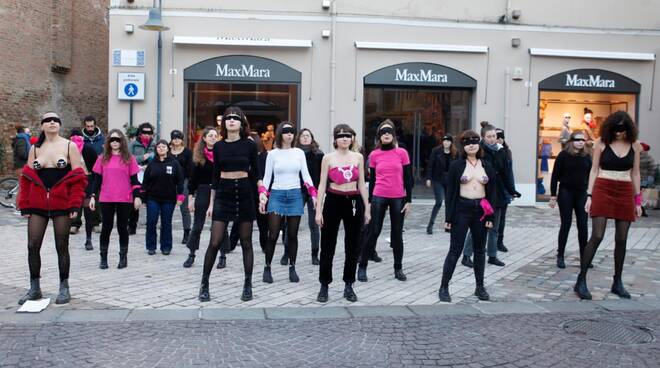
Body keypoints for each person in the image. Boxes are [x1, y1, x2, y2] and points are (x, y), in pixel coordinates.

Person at [17, 112, 87, 305]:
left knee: (61, 245)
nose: (52, 122)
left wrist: (75, 203)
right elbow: (27, 179)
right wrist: (25, 204)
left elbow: (78, 179)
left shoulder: (68, 146)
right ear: (42, 126)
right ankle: (34, 288)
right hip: (38, 204)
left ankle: (64, 287)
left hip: (61, 204)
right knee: (32, 245)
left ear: (59, 125)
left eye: (56, 120)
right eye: (48, 120)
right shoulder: (35, 149)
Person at [575, 111, 642, 300]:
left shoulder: (635, 146)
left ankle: (617, 282)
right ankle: (581, 279)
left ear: (628, 129)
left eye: (623, 130)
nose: (619, 133)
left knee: (622, 238)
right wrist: (589, 195)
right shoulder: (601, 144)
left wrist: (637, 200)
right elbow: (594, 169)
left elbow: (635, 173)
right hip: (603, 188)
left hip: (625, 190)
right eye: (616, 129)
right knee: (597, 235)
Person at [199, 106, 262, 302]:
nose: (232, 121)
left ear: (242, 123)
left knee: (245, 242)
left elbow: (257, 173)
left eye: (236, 118)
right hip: (224, 192)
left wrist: (261, 194)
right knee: (215, 241)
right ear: (224, 123)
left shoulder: (250, 145)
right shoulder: (218, 146)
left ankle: (248, 284)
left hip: (244, 191)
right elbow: (215, 176)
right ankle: (204, 283)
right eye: (228, 118)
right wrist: (211, 204)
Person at [438, 130, 496, 302]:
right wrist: (448, 218)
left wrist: (490, 217)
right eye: (468, 142)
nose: (471, 144)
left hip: (481, 211)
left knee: (479, 250)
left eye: (475, 141)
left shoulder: (487, 165)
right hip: (461, 210)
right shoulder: (457, 166)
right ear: (463, 145)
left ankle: (479, 287)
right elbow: (450, 195)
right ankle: (444, 287)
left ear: (479, 144)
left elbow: (492, 193)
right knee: (455, 250)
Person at [315, 124, 370, 302]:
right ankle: (324, 284)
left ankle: (349, 284)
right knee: (328, 244)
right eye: (341, 136)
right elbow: (322, 185)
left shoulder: (359, 157)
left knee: (353, 245)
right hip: (333, 200)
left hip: (353, 201)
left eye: (348, 135)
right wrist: (318, 210)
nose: (345, 139)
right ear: (335, 139)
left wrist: (367, 207)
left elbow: (362, 183)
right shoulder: (328, 158)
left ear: (352, 138)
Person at [259, 122, 317, 283]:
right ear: (280, 134)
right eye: (286, 132)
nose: (289, 134)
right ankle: (267, 267)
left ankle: (292, 267)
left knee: (292, 234)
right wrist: (263, 194)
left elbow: (305, 175)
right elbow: (267, 177)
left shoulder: (298, 153)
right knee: (273, 234)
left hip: (295, 195)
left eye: (292, 132)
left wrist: (313, 193)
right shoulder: (272, 154)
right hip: (277, 194)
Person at [357, 119, 413, 282]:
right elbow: (372, 179)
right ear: (379, 137)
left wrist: (408, 200)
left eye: (389, 132)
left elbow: (408, 178)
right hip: (379, 196)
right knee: (373, 231)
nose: (386, 134)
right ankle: (362, 266)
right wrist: (368, 201)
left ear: (394, 136)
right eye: (383, 132)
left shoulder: (402, 153)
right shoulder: (374, 155)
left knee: (397, 234)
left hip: (398, 197)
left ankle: (398, 268)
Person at [462, 122, 519, 268]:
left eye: (494, 136)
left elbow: (507, 173)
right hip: (482, 193)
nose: (492, 139)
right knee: (478, 226)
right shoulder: (478, 151)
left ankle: (492, 255)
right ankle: (467, 255)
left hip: (498, 194)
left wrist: (512, 190)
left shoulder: (501, 151)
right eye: (489, 136)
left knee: (494, 226)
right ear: (483, 137)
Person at [89, 129, 142, 269]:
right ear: (108, 142)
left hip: (125, 198)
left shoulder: (129, 159)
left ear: (122, 141)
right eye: (112, 140)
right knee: (106, 227)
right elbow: (96, 180)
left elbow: (135, 180)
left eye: (117, 140)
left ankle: (123, 257)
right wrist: (93, 196)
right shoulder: (102, 158)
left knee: (122, 227)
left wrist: (137, 197)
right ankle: (103, 258)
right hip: (106, 198)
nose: (115, 142)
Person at [549, 131, 591, 269]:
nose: (580, 142)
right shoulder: (563, 155)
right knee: (565, 224)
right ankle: (560, 255)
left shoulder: (587, 156)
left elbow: (592, 176)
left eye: (583, 140)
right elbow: (555, 176)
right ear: (571, 141)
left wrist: (591, 195)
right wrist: (553, 196)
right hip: (566, 191)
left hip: (582, 193)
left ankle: (584, 257)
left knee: (583, 225)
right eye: (577, 139)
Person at [183, 127, 218, 268]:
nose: (213, 138)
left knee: (219, 225)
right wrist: (190, 199)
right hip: (203, 191)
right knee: (197, 226)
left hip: (219, 191)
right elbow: (193, 180)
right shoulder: (198, 156)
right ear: (204, 138)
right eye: (210, 136)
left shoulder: (221, 153)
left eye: (216, 136)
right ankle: (191, 254)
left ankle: (222, 255)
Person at [142, 140, 185, 255]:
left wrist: (180, 195)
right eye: (159, 147)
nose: (161, 148)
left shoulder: (174, 163)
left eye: (163, 146)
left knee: (166, 223)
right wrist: (143, 198)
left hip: (168, 199)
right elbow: (145, 182)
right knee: (151, 221)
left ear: (168, 148)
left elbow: (180, 180)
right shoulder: (151, 164)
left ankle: (166, 246)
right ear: (156, 149)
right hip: (153, 198)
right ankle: (151, 246)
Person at [296, 128, 324, 265]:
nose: (306, 138)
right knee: (292, 222)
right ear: (299, 138)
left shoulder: (318, 154)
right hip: (298, 190)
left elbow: (323, 175)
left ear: (312, 138)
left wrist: (321, 192)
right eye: (303, 136)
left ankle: (314, 254)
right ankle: (287, 253)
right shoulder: (294, 153)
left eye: (308, 135)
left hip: (314, 192)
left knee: (314, 224)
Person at [68, 128, 98, 246]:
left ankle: (88, 238)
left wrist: (95, 183)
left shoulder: (88, 149)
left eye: (78, 138)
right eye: (73, 138)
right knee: (73, 207)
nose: (76, 140)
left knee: (88, 210)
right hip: (73, 182)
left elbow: (95, 168)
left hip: (87, 181)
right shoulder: (67, 150)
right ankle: (73, 226)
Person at [127, 122, 156, 234]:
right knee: (135, 199)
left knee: (150, 200)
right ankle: (132, 225)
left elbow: (159, 158)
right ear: (140, 133)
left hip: (150, 175)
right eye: (144, 132)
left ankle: (150, 224)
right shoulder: (132, 144)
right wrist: (142, 157)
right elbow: (128, 158)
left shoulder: (154, 145)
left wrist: (148, 165)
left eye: (149, 132)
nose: (147, 135)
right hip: (136, 175)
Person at [425, 134, 457, 235]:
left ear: (451, 142)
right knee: (439, 201)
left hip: (450, 180)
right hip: (437, 179)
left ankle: (448, 225)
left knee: (449, 203)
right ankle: (430, 225)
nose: (446, 143)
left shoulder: (455, 152)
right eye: (444, 141)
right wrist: (428, 178)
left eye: (448, 141)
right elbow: (430, 165)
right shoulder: (436, 151)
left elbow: (459, 166)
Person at [495, 128, 518, 253]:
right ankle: (490, 242)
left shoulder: (507, 152)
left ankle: (499, 242)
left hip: (504, 189)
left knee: (502, 218)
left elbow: (510, 173)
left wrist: (512, 190)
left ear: (502, 139)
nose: (496, 140)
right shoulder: (489, 151)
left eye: (499, 138)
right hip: (493, 190)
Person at [169, 129, 193, 244]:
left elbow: (191, 168)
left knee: (185, 209)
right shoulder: (168, 151)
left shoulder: (187, 152)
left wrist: (190, 183)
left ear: (182, 139)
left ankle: (187, 233)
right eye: (174, 138)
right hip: (169, 182)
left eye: (178, 138)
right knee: (167, 208)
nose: (176, 140)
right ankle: (166, 232)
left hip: (183, 182)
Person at [12, 126, 31, 209]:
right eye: (28, 132)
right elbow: (22, 154)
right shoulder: (22, 140)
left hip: (21, 166)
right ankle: (19, 206)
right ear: (23, 132)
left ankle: (19, 206)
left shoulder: (21, 139)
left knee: (22, 186)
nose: (29, 134)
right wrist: (31, 156)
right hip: (21, 166)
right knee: (22, 187)